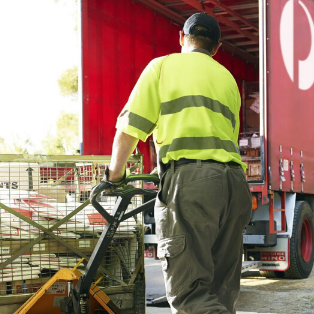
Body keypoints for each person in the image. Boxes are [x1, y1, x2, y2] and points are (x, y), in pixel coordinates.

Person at [104, 12, 252, 314]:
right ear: (217, 47)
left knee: (190, 296)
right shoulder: (228, 80)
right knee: (220, 295)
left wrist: (114, 175)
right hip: (235, 187)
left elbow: (130, 129)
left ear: (182, 38)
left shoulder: (162, 67)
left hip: (191, 186)